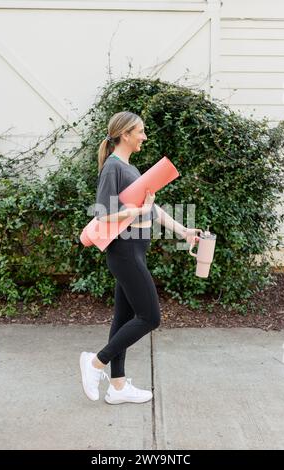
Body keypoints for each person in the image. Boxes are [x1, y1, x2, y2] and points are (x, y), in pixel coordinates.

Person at [80, 111, 202, 405]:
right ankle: (96, 363)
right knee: (150, 317)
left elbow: (153, 208)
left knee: (123, 318)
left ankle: (118, 387)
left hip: (135, 249)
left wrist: (183, 230)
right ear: (125, 135)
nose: (144, 137)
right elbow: (102, 214)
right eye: (140, 132)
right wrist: (133, 212)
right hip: (124, 250)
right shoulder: (113, 168)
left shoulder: (130, 168)